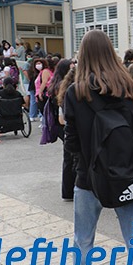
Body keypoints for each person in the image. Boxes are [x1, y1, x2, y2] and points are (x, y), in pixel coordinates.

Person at [62, 30, 133, 265]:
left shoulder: (76, 92)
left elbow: (71, 142)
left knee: (83, 239)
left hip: (89, 177)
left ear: (83, 56)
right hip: (128, 176)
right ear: (110, 53)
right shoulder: (129, 88)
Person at [48, 59, 76, 201]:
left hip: (60, 124)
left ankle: (68, 191)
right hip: (64, 124)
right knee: (71, 158)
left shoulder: (56, 84)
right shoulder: (65, 87)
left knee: (68, 159)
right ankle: (69, 190)